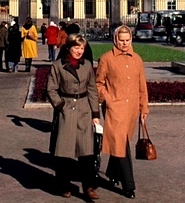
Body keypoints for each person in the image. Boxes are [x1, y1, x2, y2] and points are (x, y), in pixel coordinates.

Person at [96, 25, 149, 199]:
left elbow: (142, 86)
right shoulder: (106, 59)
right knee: (121, 143)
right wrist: (108, 99)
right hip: (114, 108)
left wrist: (144, 108)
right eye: (121, 40)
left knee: (121, 141)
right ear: (115, 39)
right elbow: (98, 84)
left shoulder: (137, 59)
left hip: (132, 108)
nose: (125, 44)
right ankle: (129, 185)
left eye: (127, 40)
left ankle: (112, 173)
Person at [47, 34, 100, 200]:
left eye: (82, 48)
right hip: (67, 109)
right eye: (76, 47)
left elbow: (92, 90)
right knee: (64, 151)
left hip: (84, 109)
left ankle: (88, 186)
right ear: (69, 48)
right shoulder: (58, 66)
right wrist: (60, 106)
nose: (79, 51)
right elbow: (51, 89)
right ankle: (64, 185)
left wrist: (95, 114)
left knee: (87, 152)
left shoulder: (87, 65)